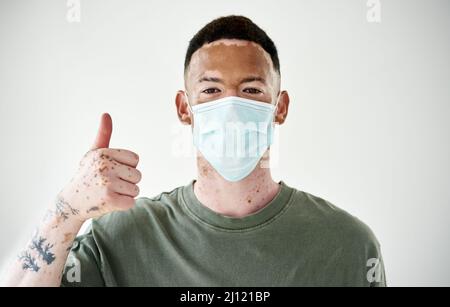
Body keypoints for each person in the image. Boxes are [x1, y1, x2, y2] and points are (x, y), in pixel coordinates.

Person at [1, 15, 386, 287]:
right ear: (185, 108)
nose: (231, 108)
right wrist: (67, 210)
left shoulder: (347, 245)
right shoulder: (120, 238)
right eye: (211, 91)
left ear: (279, 107)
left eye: (251, 90)